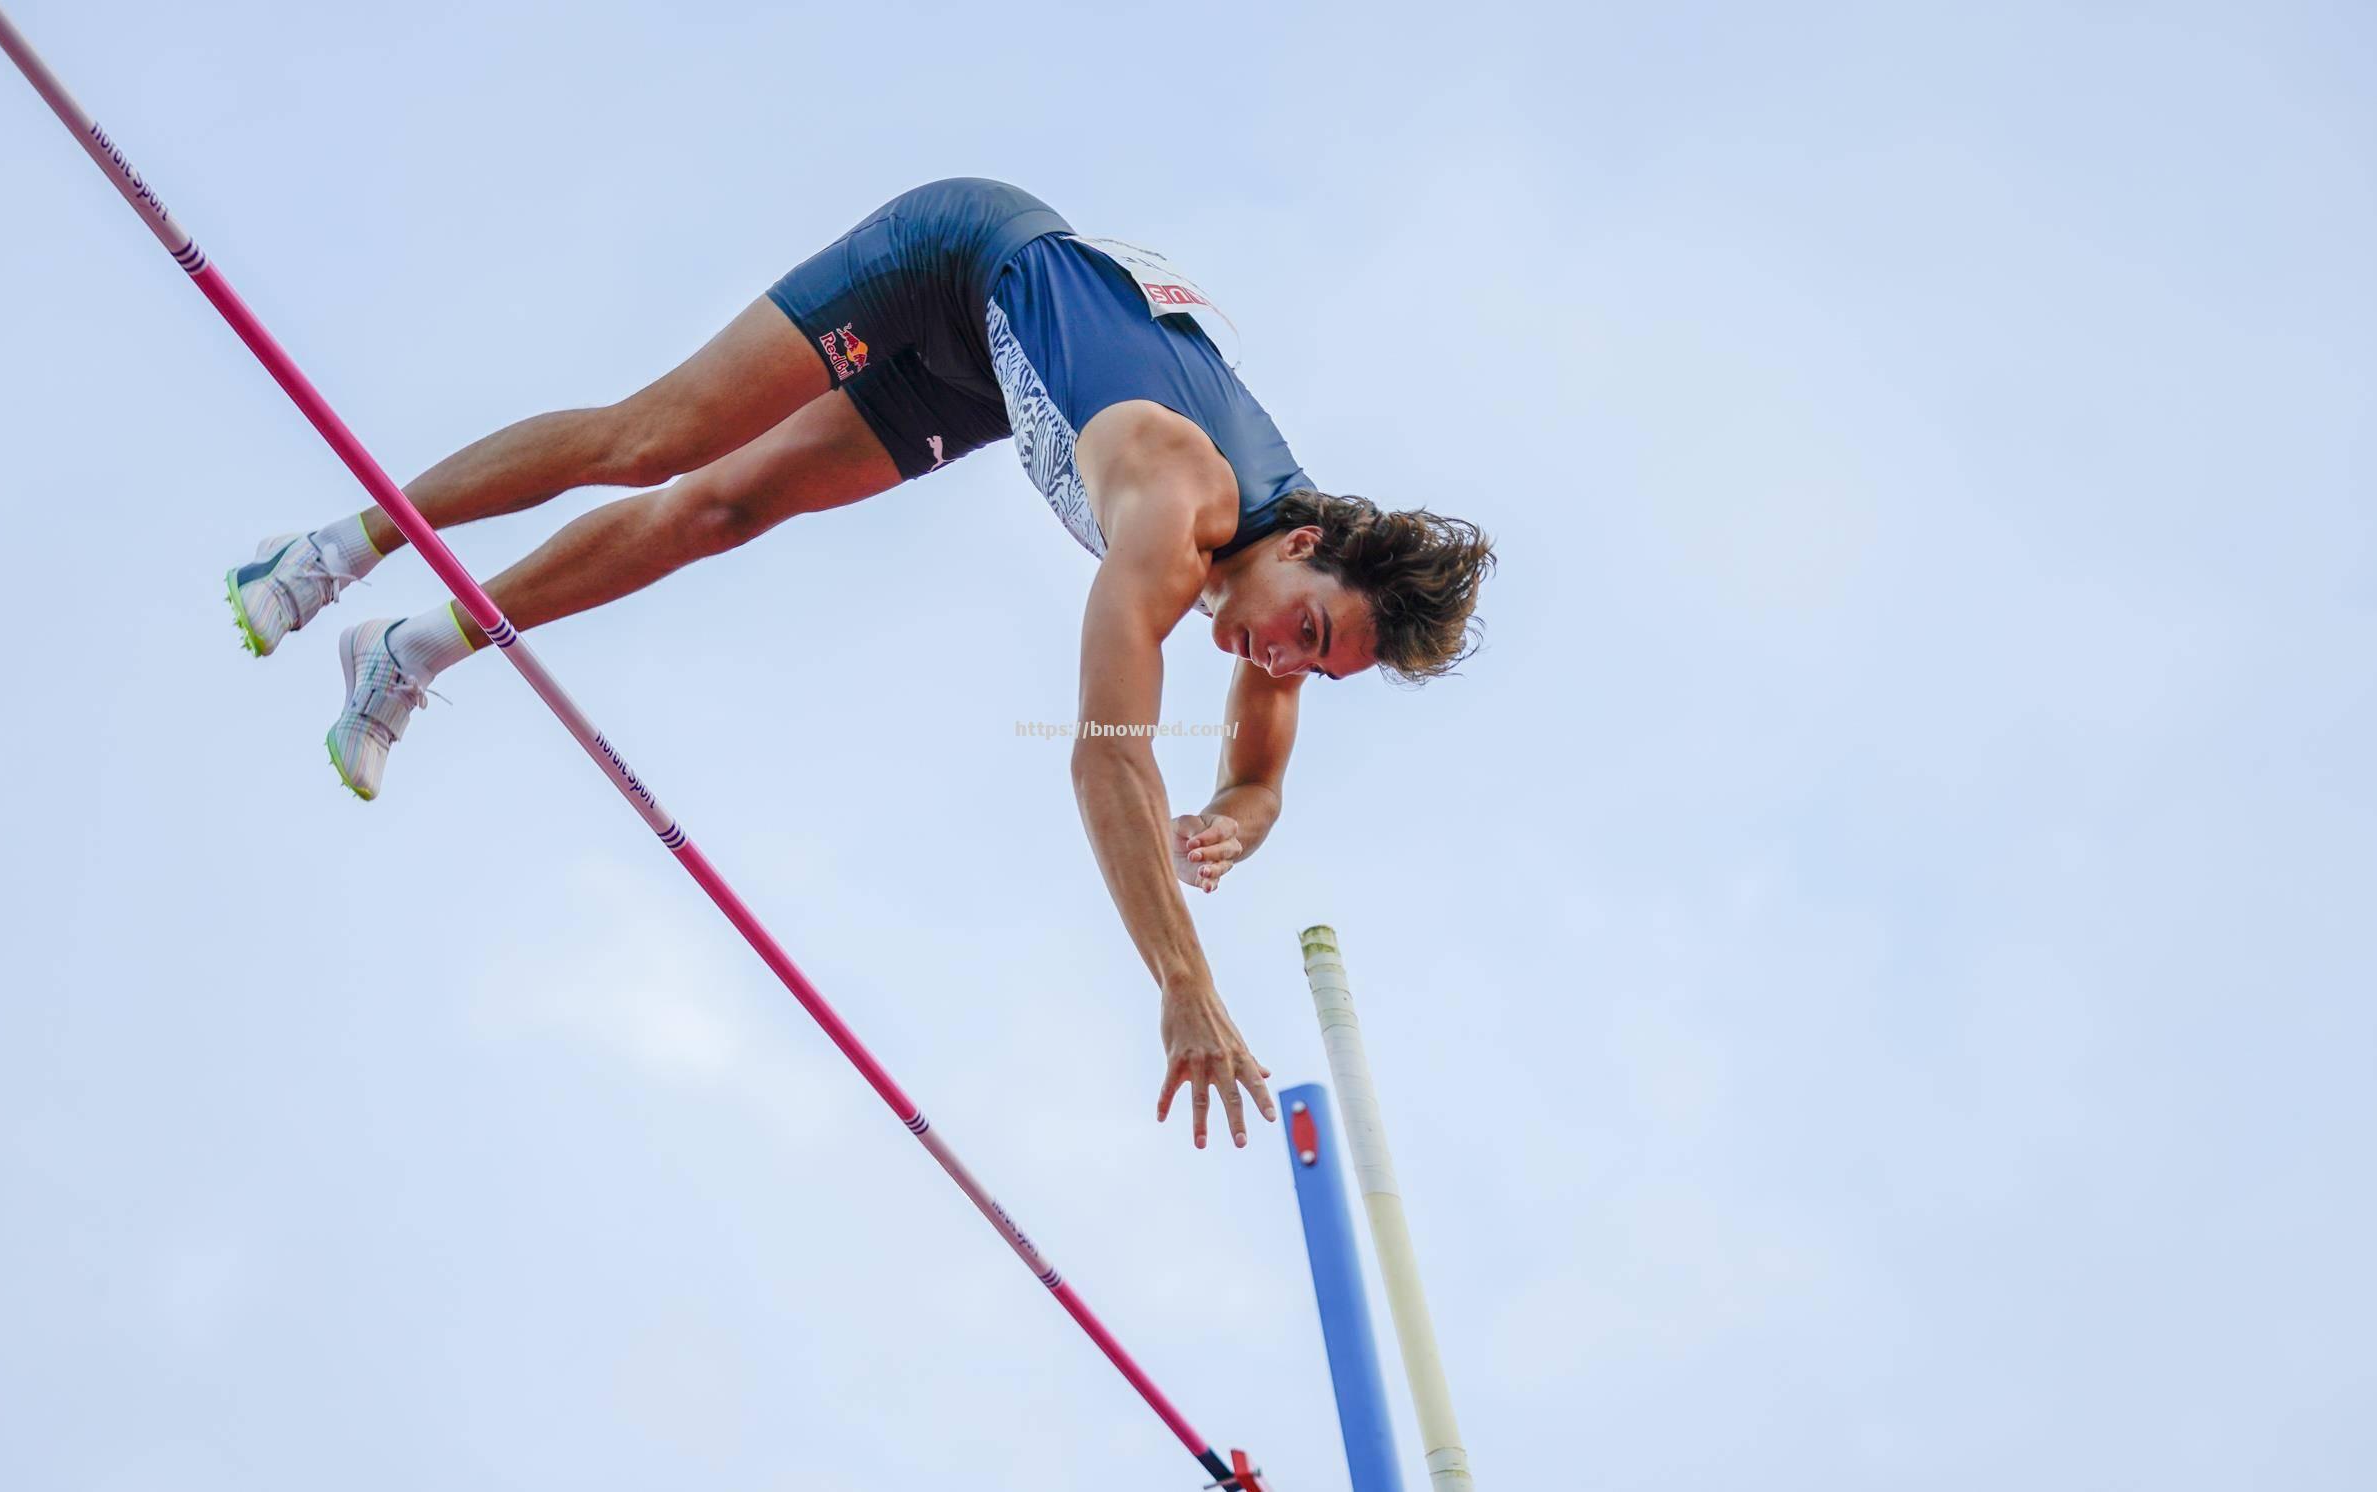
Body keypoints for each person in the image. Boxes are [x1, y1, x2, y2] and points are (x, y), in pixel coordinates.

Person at [225, 178, 1494, 1150]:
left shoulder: (1284, 597)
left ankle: (409, 648)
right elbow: (1107, 763)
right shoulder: (1177, 512)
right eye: (1307, 635)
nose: (1278, 662)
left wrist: (1233, 815)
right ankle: (332, 551)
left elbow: (1262, 776)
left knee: (717, 514)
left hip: (996, 373)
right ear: (1311, 545)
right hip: (955, 260)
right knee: (653, 439)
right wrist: (1183, 983)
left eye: (1313, 671)